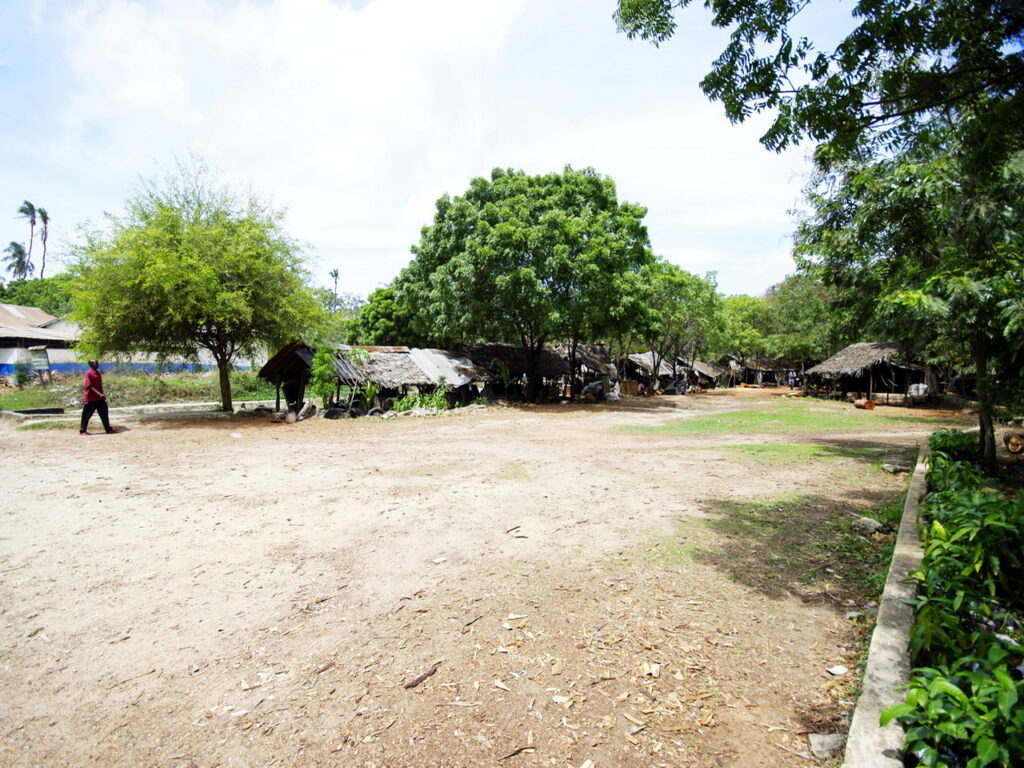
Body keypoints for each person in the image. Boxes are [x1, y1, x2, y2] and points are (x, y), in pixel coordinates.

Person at [80, 359, 114, 435]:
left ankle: (108, 429)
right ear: (91, 364)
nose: (98, 364)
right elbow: (89, 386)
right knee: (87, 415)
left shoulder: (97, 373)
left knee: (104, 413)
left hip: (99, 399)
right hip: (91, 398)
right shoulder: (88, 373)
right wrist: (99, 393)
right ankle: (82, 431)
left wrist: (100, 394)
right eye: (96, 363)